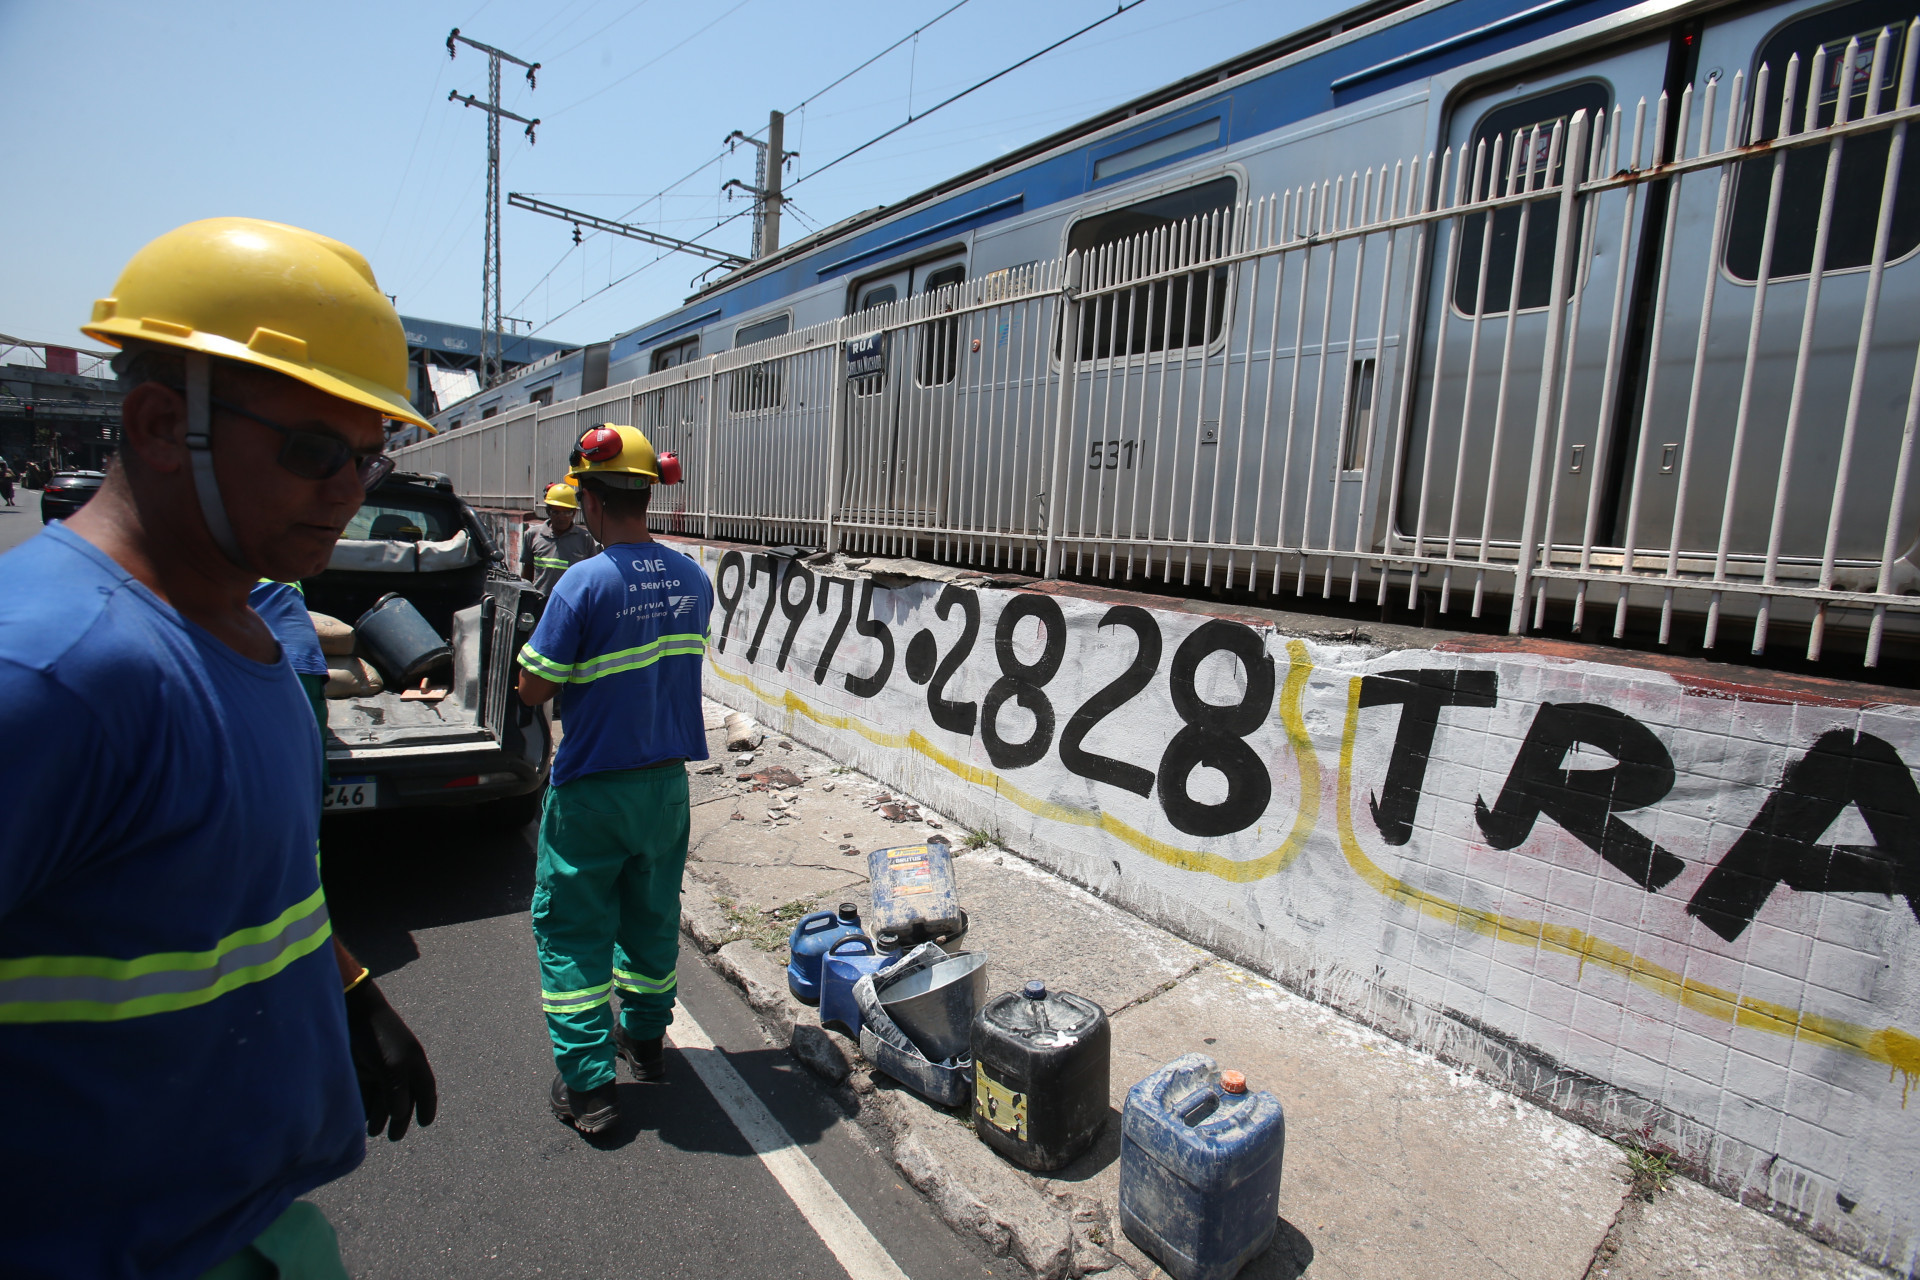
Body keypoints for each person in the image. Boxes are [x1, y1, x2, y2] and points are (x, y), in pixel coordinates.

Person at [0, 217, 438, 1279]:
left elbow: (244, 886)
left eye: (369, 455)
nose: (349, 487)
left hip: (251, 1230)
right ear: (159, 422)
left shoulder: (249, 628)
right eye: (312, 450)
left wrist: (346, 991)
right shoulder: (52, 675)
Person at [514, 423, 712, 1136]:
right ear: (646, 495)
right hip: (666, 788)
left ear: (592, 502)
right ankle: (648, 1045)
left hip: (595, 785)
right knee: (652, 918)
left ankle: (591, 1089)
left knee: (572, 931)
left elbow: (533, 690)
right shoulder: (693, 577)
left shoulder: (581, 584)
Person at [521, 479, 599, 598]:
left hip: (571, 603)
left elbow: (591, 575)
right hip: (539, 603)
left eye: (566, 512)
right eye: (556, 512)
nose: (561, 517)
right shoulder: (532, 535)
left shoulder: (585, 538)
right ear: (548, 512)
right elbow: (527, 573)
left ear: (574, 513)